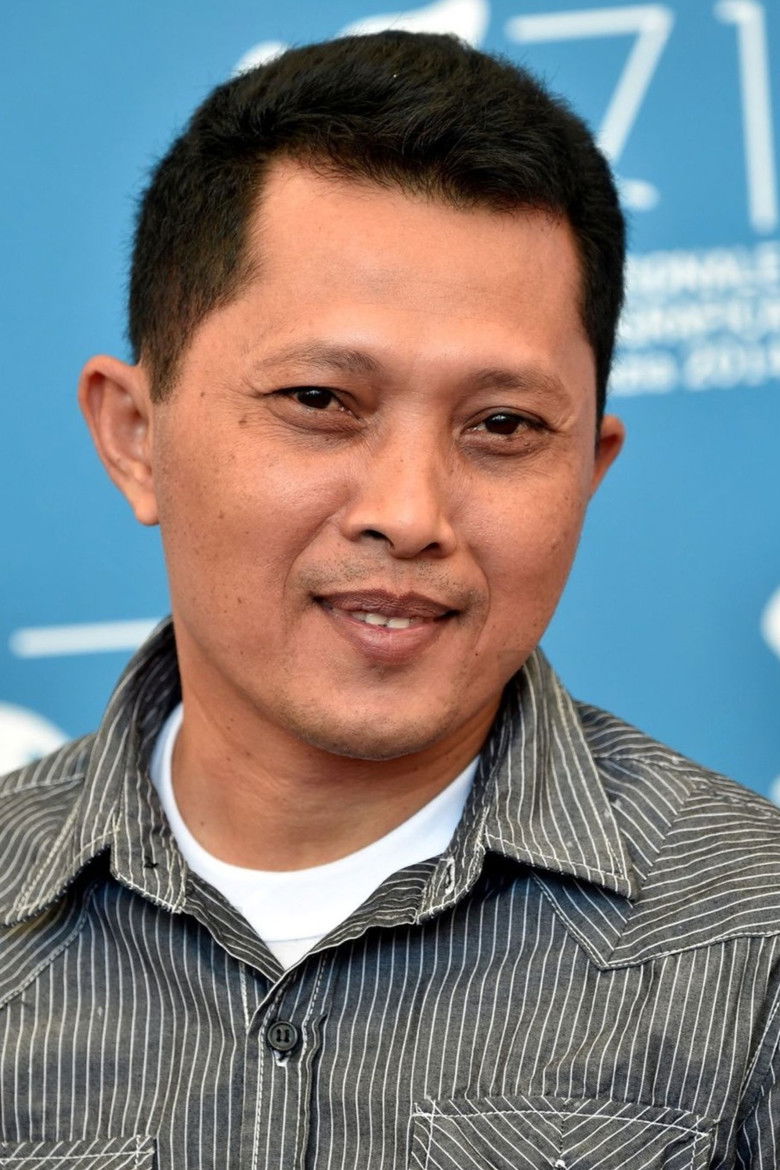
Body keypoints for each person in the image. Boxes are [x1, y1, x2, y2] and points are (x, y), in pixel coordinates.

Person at [1, 29, 778, 1169]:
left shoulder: (755, 942)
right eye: (321, 401)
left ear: (589, 470)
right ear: (135, 435)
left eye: (503, 425)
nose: (409, 513)